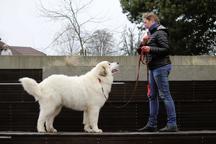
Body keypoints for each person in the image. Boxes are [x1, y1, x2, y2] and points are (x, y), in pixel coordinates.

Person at [137, 12, 178, 132]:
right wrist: (143, 43)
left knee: (165, 95)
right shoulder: (150, 34)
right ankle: (152, 124)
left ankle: (172, 124)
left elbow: (166, 49)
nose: (144, 25)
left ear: (151, 20)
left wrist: (150, 48)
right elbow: (140, 51)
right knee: (152, 96)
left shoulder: (160, 32)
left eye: (145, 22)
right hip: (153, 68)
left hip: (161, 67)